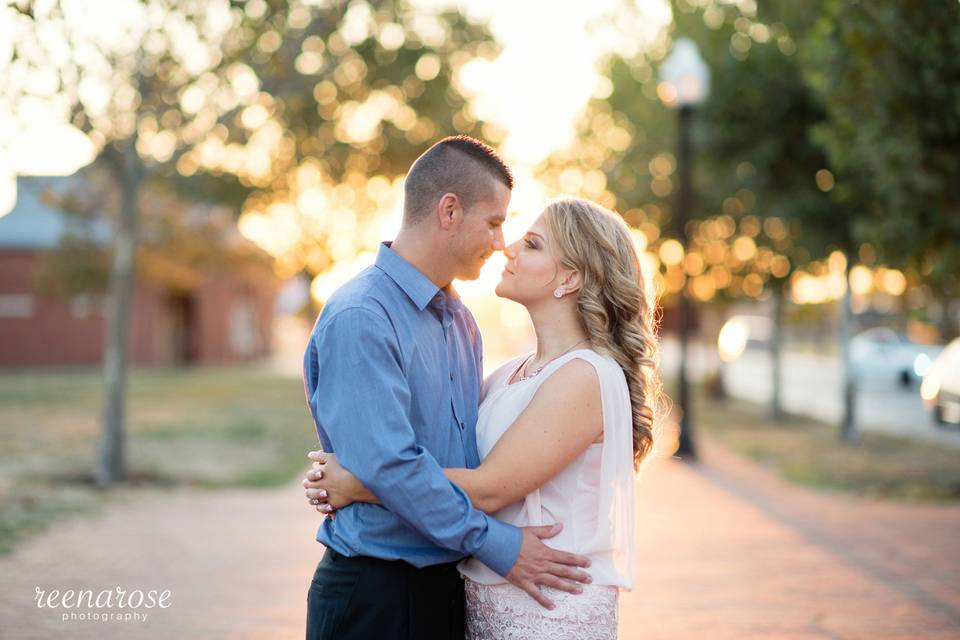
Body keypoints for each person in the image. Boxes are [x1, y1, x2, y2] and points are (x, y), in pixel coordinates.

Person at [306, 197, 661, 639]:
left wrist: (359, 483)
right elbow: (446, 455)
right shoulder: (509, 373)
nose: (507, 248)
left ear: (569, 277)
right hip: (487, 598)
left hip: (547, 604)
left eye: (532, 244)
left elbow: (490, 488)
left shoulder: (586, 375)